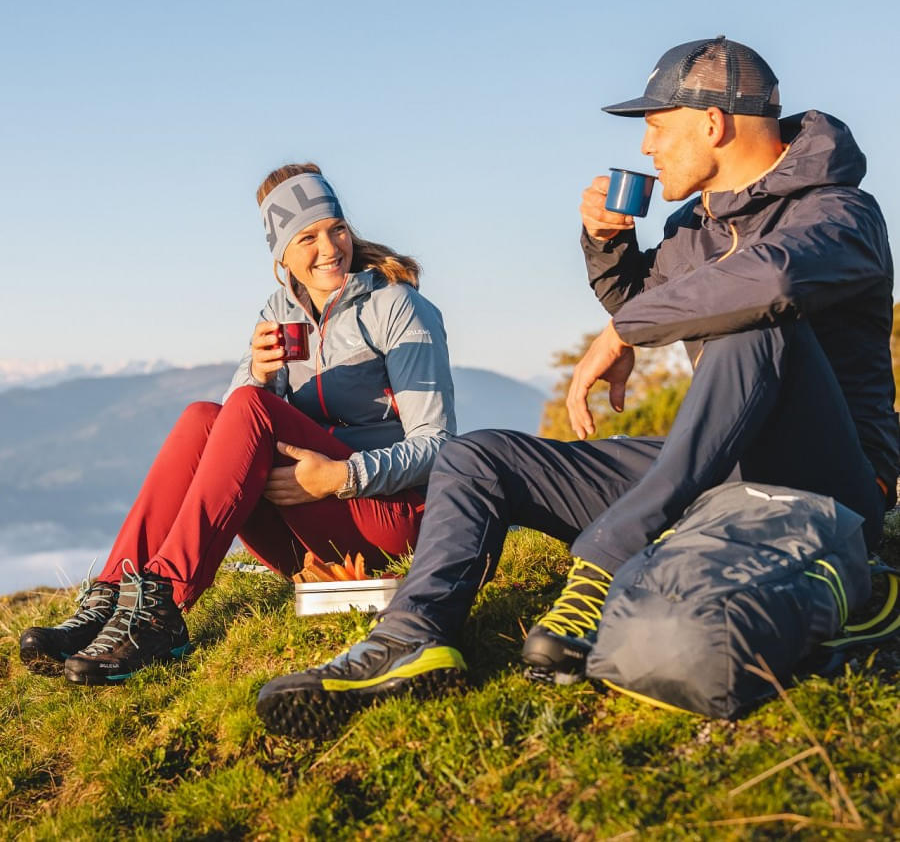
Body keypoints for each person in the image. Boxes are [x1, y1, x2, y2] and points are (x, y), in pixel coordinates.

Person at [254, 36, 899, 737]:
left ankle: (607, 557)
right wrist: (608, 244)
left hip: (830, 486)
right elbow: (639, 302)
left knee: (755, 319)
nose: (648, 147)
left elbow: (767, 282)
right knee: (481, 455)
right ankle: (411, 638)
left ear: (711, 123)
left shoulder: (841, 214)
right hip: (719, 472)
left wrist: (628, 332)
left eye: (657, 126)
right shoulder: (693, 231)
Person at [19, 163, 455, 685]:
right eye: (308, 237)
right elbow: (226, 431)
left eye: (336, 228)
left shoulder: (397, 307)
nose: (330, 248)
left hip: (390, 515)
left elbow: (438, 445)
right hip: (308, 518)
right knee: (202, 416)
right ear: (282, 255)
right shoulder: (279, 310)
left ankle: (162, 603)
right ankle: (114, 593)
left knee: (247, 406)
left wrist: (343, 475)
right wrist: (260, 372)